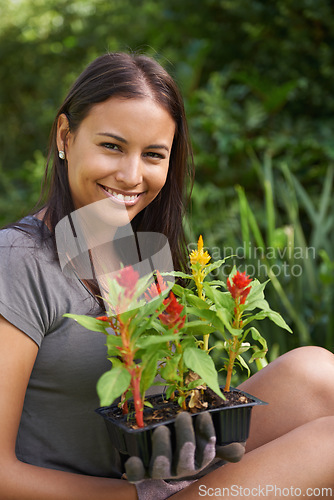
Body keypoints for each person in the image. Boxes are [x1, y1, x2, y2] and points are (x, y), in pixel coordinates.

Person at [0, 52, 333, 500]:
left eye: (153, 154)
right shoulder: (15, 260)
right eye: (112, 146)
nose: (131, 175)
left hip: (164, 484)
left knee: (315, 371)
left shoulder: (138, 253)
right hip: (125, 497)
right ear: (65, 134)